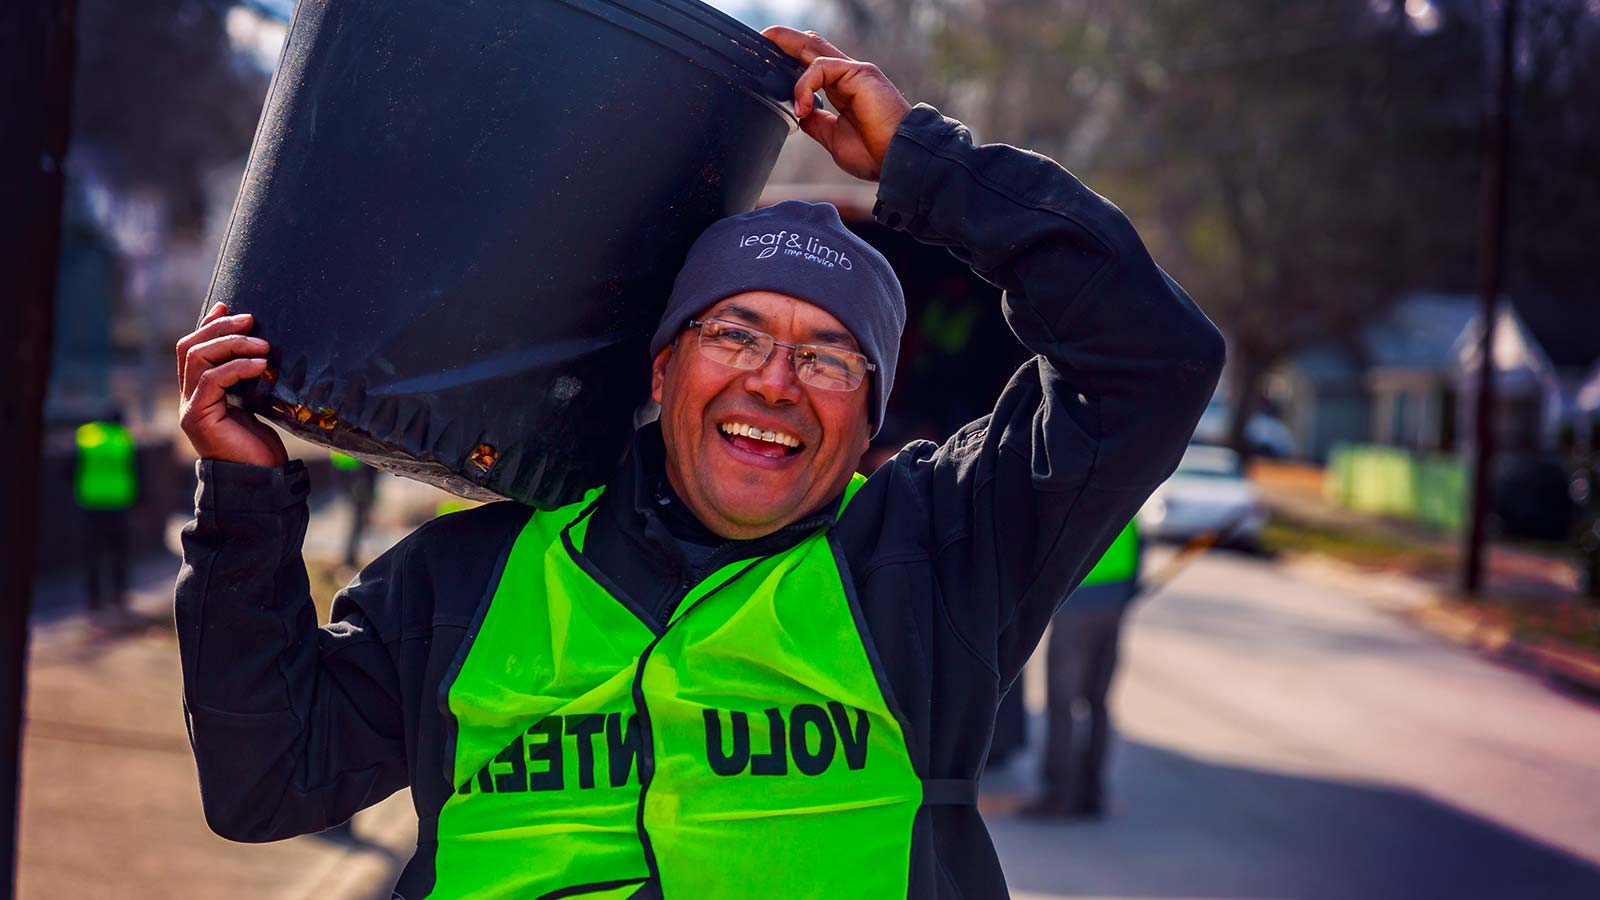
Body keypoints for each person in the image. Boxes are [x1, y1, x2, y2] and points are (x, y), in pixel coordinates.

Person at [173, 28, 1223, 899]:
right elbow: (267, 779)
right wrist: (244, 496)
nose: (775, 380)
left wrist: (926, 167)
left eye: (827, 356)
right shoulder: (465, 578)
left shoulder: (936, 554)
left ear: (867, 421)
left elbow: (1152, 361)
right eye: (735, 334)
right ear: (664, 371)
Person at [1020, 518, 1140, 820]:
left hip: (1077, 600)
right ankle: (1092, 793)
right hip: (1113, 600)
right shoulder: (1126, 483)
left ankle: (1059, 796)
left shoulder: (1083, 480)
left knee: (1062, 701)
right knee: (1096, 701)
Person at [75, 410, 139, 629]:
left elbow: (72, 469)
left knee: (92, 554)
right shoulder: (123, 439)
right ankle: (119, 594)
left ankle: (94, 598)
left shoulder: (86, 437)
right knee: (119, 552)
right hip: (118, 504)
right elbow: (136, 470)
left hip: (91, 503)